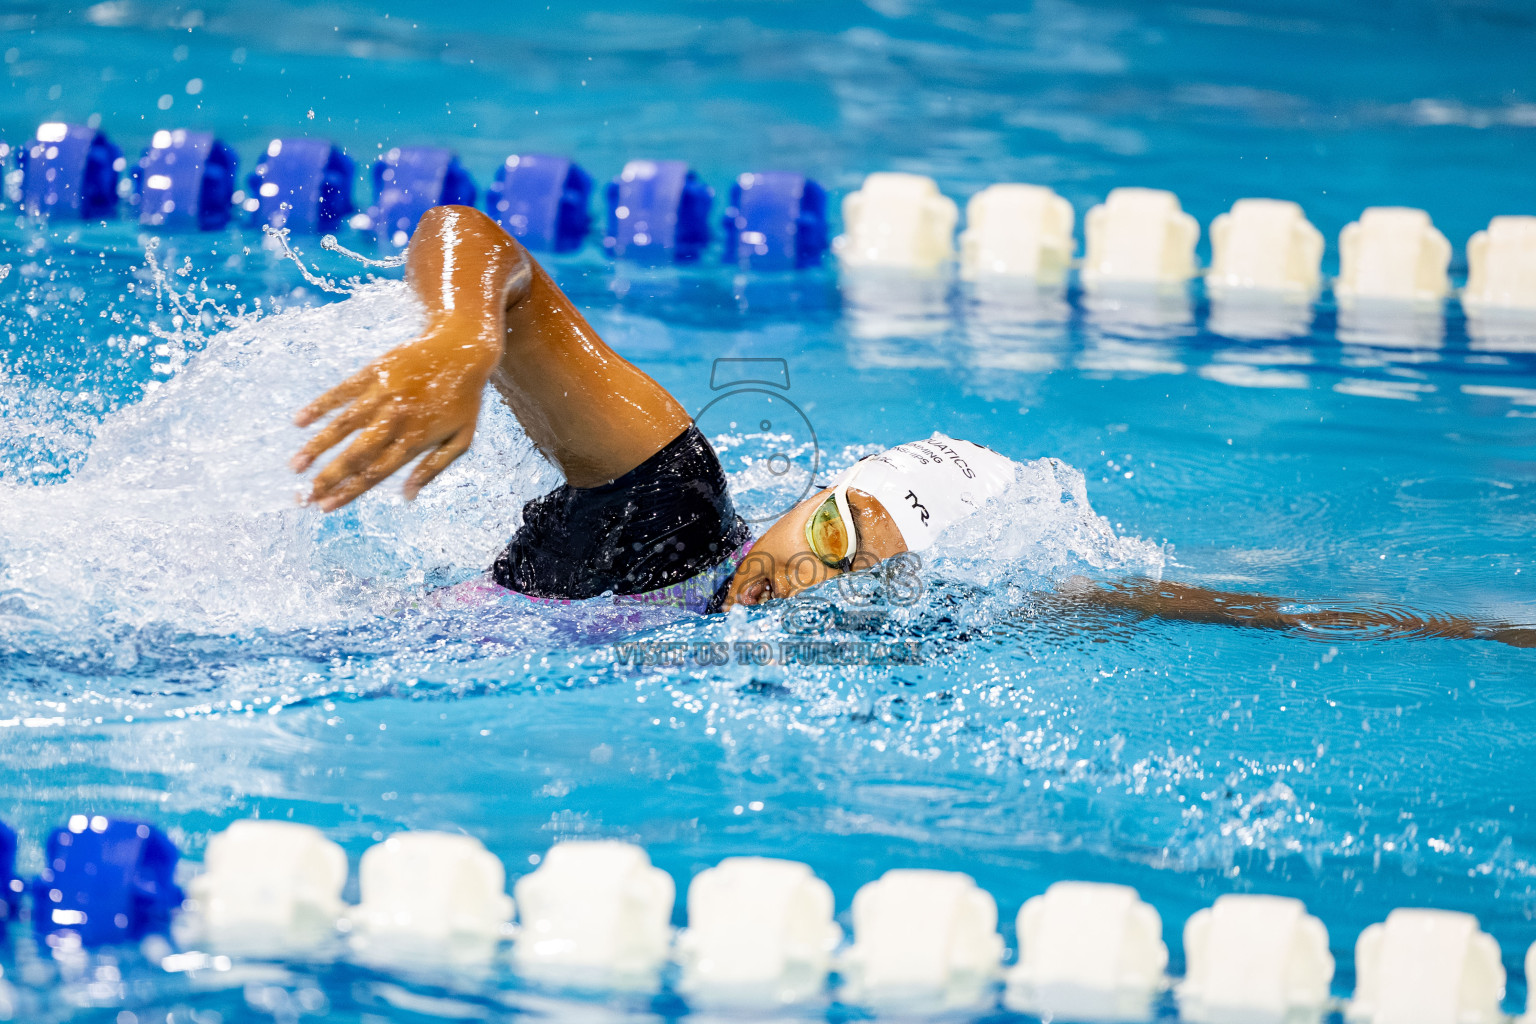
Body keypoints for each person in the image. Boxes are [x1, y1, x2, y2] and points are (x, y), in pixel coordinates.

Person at [291, 205, 1534, 646]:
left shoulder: (873, 621)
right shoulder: (670, 510)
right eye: (828, 526)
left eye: (856, 558)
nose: (807, 570)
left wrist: (1437, 627)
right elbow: (472, 237)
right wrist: (458, 345)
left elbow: (1120, 598)